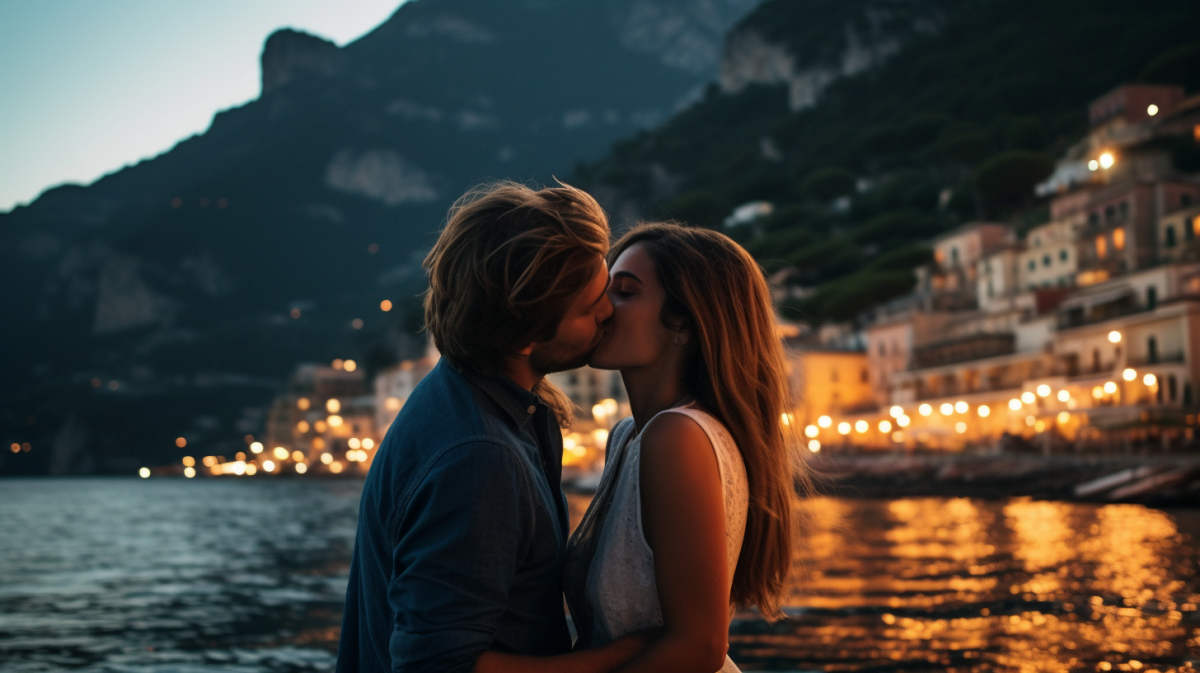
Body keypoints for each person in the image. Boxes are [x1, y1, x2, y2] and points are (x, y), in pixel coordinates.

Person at [336, 182, 648, 673]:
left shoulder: (462, 400)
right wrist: (617, 658)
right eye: (590, 308)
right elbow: (435, 666)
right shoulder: (480, 456)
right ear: (523, 336)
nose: (609, 310)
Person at [564, 222, 807, 672]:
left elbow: (699, 647)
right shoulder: (629, 435)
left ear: (684, 322)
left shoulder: (677, 437)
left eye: (625, 292)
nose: (600, 307)